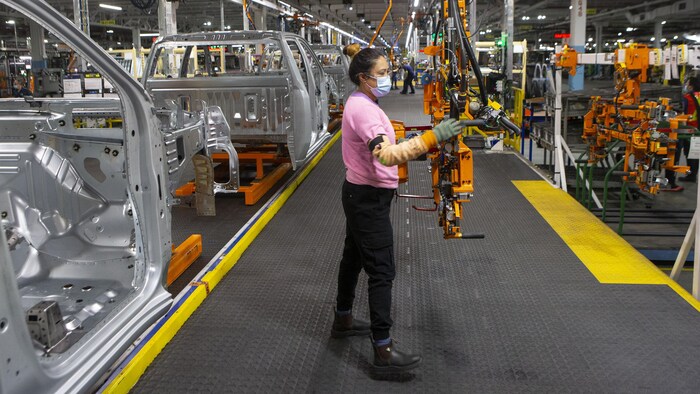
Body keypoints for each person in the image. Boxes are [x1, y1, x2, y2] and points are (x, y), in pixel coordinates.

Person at [332, 47, 466, 372]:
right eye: (382, 72)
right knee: (382, 270)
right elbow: (387, 156)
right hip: (366, 199)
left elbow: (389, 147)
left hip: (361, 194)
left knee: (353, 258)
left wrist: (422, 144)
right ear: (363, 77)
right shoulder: (363, 110)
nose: (387, 77)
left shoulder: (365, 102)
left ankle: (344, 319)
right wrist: (433, 138)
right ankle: (383, 350)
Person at [666, 76, 700, 191]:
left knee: (679, 152)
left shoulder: (686, 98)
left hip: (686, 129)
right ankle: (692, 175)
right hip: (696, 129)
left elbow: (681, 113)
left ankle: (671, 179)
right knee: (694, 153)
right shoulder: (697, 96)